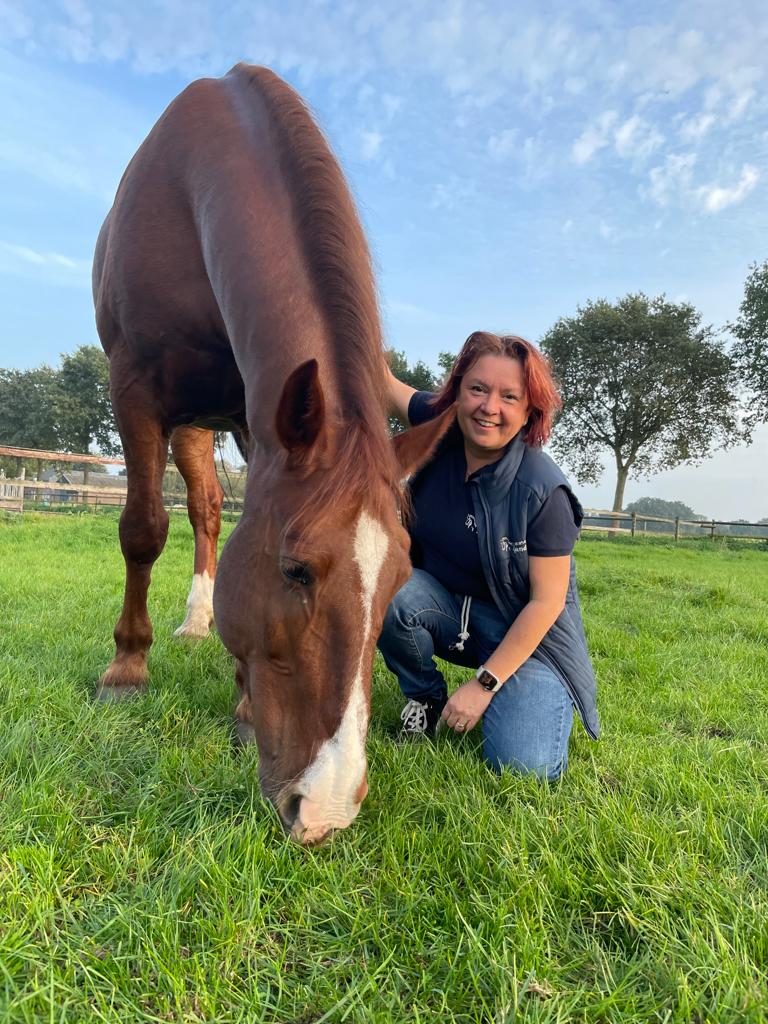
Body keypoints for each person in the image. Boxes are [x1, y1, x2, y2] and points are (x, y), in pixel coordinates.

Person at [378, 331, 599, 780]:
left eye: (509, 396)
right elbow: (383, 383)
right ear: (458, 392)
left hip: (526, 637)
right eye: (477, 388)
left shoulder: (542, 491)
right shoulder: (442, 428)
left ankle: (519, 694)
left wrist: (484, 685)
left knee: (525, 768)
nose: (489, 407)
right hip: (445, 608)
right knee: (385, 588)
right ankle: (426, 697)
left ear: (529, 410)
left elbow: (547, 603)